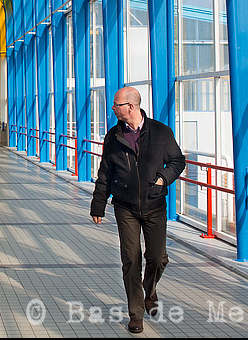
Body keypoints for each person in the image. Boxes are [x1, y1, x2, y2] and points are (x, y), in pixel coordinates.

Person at [89, 87, 186, 334]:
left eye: (116, 105)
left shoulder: (161, 132)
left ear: (130, 107)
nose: (113, 108)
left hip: (155, 206)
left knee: (157, 258)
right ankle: (136, 314)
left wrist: (164, 178)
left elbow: (178, 160)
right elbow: (105, 173)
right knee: (131, 259)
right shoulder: (113, 137)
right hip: (125, 207)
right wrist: (98, 203)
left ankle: (149, 290)